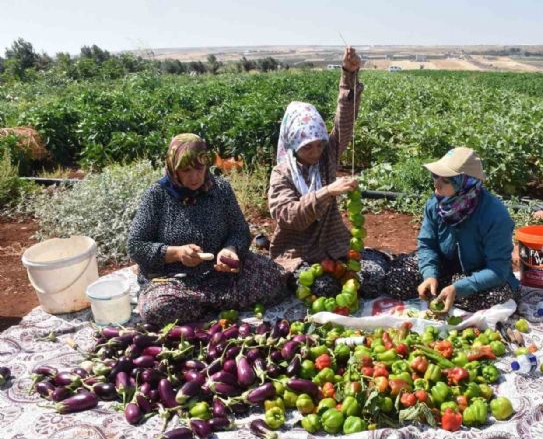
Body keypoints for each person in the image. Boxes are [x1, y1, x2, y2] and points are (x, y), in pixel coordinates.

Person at [127, 133, 289, 326]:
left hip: (220, 275)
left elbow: (240, 231)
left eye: (199, 168)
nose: (194, 177)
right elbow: (135, 245)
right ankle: (216, 303)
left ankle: (203, 306)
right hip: (175, 280)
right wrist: (177, 253)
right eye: (186, 170)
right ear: (173, 168)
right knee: (158, 308)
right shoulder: (157, 196)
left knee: (274, 279)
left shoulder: (220, 189)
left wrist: (230, 249)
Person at [385, 147, 519, 312]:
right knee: (397, 282)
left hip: (479, 273)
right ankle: (442, 287)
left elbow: (498, 270)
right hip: (444, 268)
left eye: (446, 180)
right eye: (435, 176)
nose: (436, 184)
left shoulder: (495, 215)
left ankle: (449, 290)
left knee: (494, 296)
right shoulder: (436, 204)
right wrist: (429, 274)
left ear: (466, 183)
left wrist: (460, 287)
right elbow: (427, 244)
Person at [268, 47, 362, 272]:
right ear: (293, 145)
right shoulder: (282, 174)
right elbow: (291, 216)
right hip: (296, 254)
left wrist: (348, 74)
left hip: (335, 245)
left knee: (370, 276)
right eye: (308, 147)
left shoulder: (325, 157)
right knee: (320, 285)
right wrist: (328, 191)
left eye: (320, 144)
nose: (316, 151)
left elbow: (345, 124)